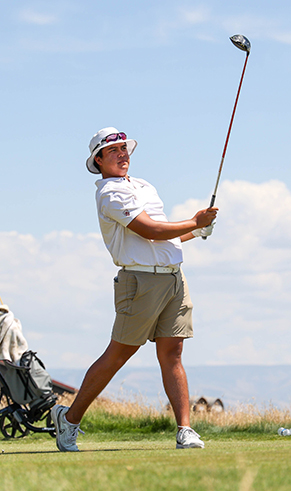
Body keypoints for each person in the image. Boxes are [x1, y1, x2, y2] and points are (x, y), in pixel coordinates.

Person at [51, 127, 218, 451]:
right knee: (118, 355)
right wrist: (195, 222)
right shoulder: (109, 193)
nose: (122, 153)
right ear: (98, 160)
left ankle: (185, 429)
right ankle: (69, 420)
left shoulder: (144, 186)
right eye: (112, 150)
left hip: (174, 278)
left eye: (124, 148)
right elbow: (149, 230)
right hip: (139, 282)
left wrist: (196, 232)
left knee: (173, 353)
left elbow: (164, 237)